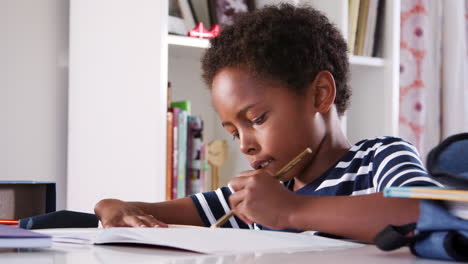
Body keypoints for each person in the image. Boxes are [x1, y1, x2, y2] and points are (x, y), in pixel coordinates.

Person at [94, 4, 441, 243]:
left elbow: (422, 211)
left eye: (257, 119)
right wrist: (117, 207)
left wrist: (292, 211)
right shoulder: (262, 193)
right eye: (233, 133)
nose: (245, 144)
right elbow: (160, 215)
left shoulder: (378, 157)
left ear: (320, 94)